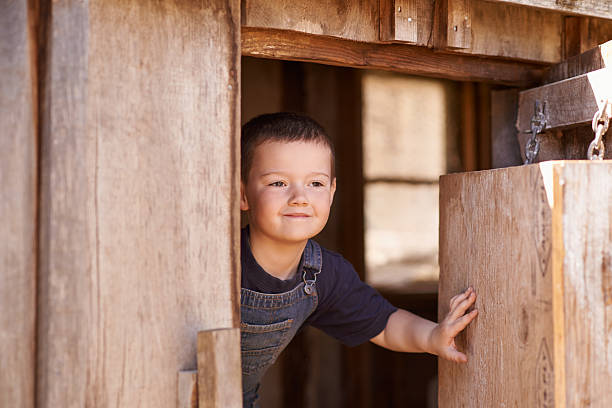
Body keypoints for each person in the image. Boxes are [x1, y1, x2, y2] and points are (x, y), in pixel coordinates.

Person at [240, 112, 478, 407]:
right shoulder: (222, 262)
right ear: (242, 193)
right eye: (278, 183)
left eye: (315, 183)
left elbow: (385, 323)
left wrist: (433, 336)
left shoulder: (323, 274)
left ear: (332, 192)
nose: (299, 197)